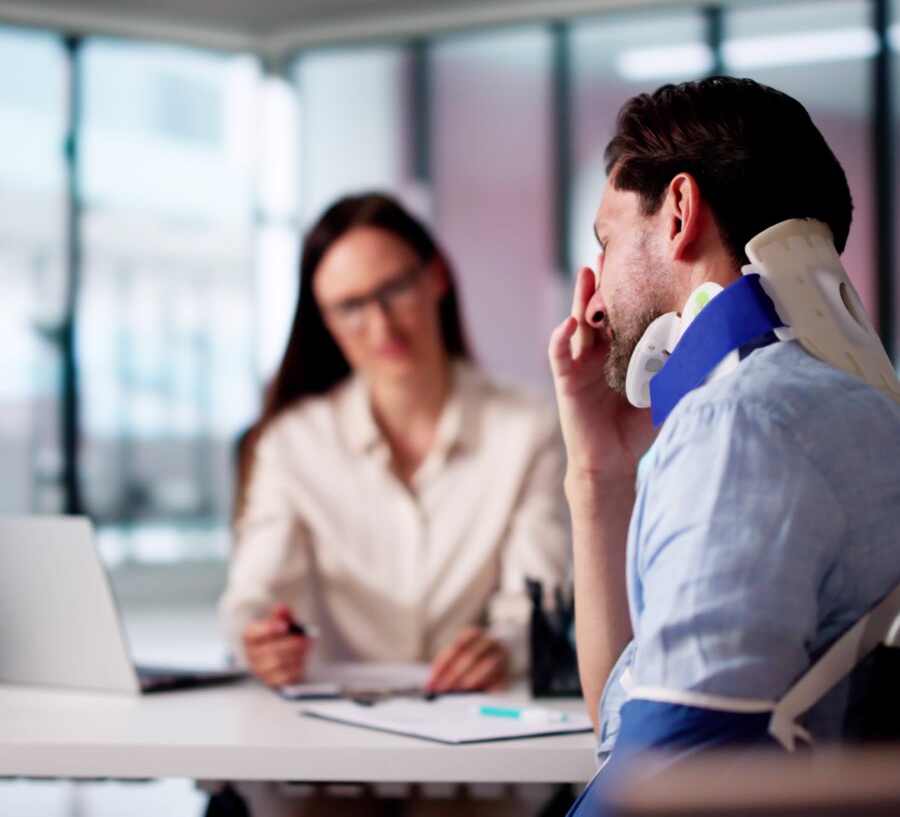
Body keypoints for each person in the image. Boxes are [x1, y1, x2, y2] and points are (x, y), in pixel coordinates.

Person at [548, 77, 900, 812]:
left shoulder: (740, 425)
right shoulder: (850, 404)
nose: (596, 296)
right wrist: (599, 471)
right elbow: (633, 722)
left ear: (678, 212)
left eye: (606, 242)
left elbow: (670, 781)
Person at [220, 192, 568, 695]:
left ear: (436, 278)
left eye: (395, 289)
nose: (381, 325)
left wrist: (504, 647)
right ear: (325, 321)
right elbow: (253, 598)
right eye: (350, 307)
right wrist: (260, 641)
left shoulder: (528, 426)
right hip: (337, 737)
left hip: (480, 728)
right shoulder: (291, 444)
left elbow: (537, 604)